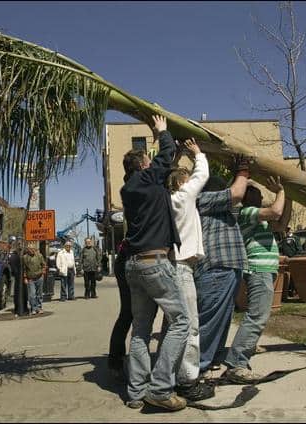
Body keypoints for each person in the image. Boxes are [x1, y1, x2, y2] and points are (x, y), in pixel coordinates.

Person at [120, 114, 188, 412]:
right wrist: (161, 131)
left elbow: (167, 165)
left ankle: (136, 393)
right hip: (155, 263)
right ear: (144, 165)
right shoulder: (147, 177)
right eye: (149, 161)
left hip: (134, 265)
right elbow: (166, 156)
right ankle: (161, 388)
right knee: (182, 322)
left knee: (141, 330)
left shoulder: (129, 189)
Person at [223, 177, 291, 384]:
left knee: (258, 315)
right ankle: (237, 364)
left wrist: (289, 197)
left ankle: (244, 350)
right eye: (256, 193)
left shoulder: (258, 218)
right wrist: (280, 191)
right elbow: (275, 212)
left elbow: (281, 223)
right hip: (258, 270)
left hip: (264, 270)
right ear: (247, 197)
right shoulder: (246, 212)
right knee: (257, 316)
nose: (261, 195)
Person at [164, 138, 213, 401]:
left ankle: (167, 377)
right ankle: (188, 380)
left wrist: (174, 157)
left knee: (172, 326)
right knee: (190, 326)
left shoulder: (166, 200)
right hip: (183, 267)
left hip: (171, 265)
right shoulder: (183, 197)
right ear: (182, 183)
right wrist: (197, 154)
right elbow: (202, 175)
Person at [194, 156, 250, 376]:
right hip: (216, 268)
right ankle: (195, 369)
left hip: (228, 268)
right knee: (210, 322)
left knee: (222, 320)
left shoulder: (220, 207)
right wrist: (243, 170)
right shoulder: (203, 198)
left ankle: (212, 361)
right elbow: (237, 192)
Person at [108, 238, 131, 381]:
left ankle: (117, 362)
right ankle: (116, 362)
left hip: (128, 260)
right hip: (128, 261)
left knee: (129, 315)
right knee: (129, 314)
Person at [22, 243, 46, 315]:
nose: (32, 250)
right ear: (28, 250)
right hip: (31, 279)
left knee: (39, 294)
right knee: (32, 295)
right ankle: (33, 308)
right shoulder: (25, 257)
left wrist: (43, 273)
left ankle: (39, 307)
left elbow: (44, 265)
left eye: (33, 249)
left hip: (39, 277)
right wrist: (25, 278)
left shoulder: (39, 255)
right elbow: (24, 269)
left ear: (35, 249)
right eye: (30, 249)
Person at [281, 226, 300, 297]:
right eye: (286, 230)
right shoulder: (284, 239)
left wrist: (294, 258)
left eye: (289, 229)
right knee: (286, 276)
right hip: (285, 261)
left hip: (293, 260)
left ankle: (294, 290)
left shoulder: (295, 238)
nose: (287, 231)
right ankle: (287, 291)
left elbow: (299, 250)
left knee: (293, 276)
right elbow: (282, 248)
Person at [10, 245, 28, 317]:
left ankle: (19, 308)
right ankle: (22, 308)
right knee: (22, 293)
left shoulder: (15, 256)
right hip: (20, 277)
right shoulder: (18, 257)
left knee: (18, 293)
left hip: (19, 277)